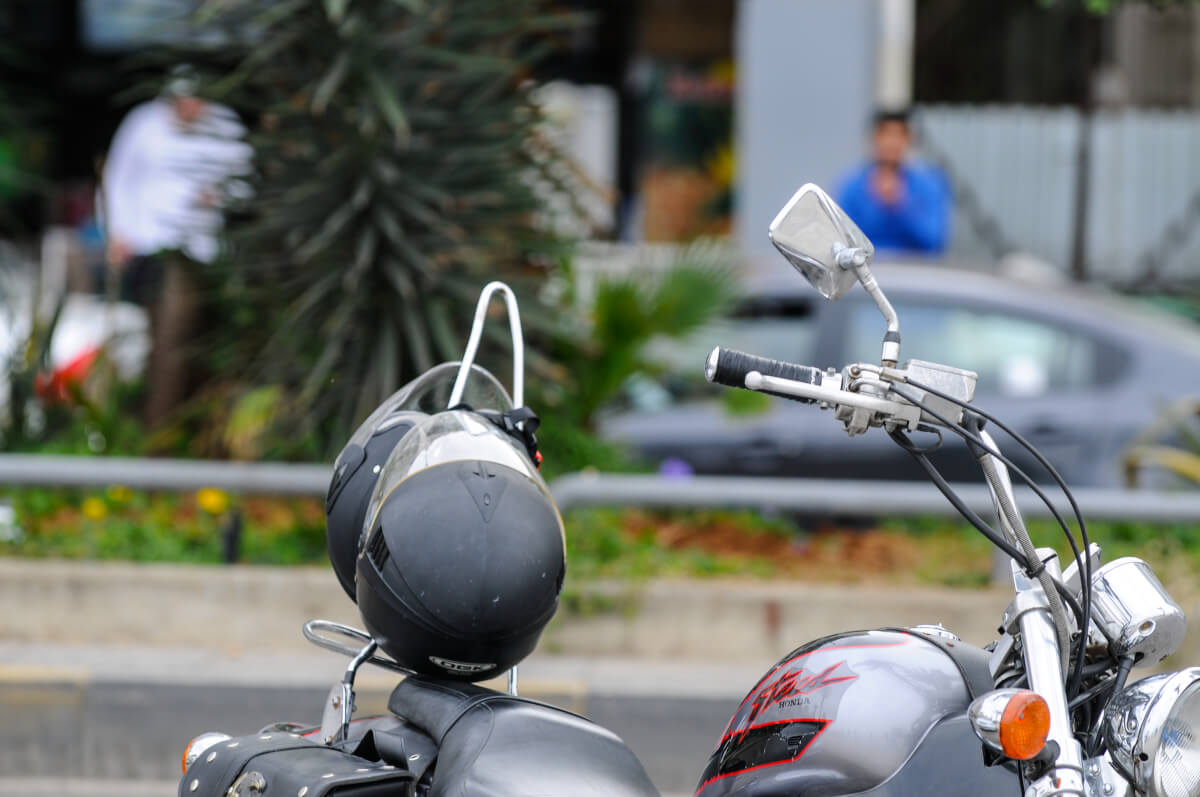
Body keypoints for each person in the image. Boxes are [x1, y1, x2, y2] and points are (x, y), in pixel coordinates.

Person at [100, 66, 249, 425]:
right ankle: (163, 421)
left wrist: (219, 195)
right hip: (146, 246)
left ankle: (160, 426)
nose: (189, 108)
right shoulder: (143, 123)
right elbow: (118, 178)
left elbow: (246, 183)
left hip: (196, 251)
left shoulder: (226, 127)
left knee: (175, 338)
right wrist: (116, 233)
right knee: (161, 337)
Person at [836, 109, 951, 256]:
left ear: (909, 140)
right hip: (867, 267)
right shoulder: (852, 187)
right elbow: (843, 241)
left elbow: (935, 241)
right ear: (874, 138)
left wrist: (901, 205)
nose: (891, 142)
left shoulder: (930, 185)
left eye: (899, 135)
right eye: (885, 134)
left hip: (915, 267)